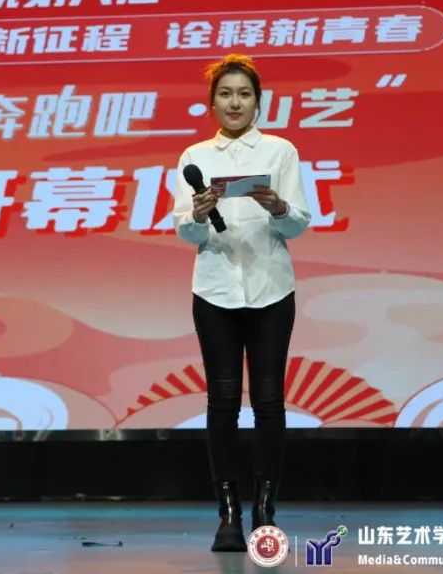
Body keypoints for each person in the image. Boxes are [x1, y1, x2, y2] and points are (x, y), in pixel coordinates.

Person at [172, 54, 311, 552]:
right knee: (223, 402)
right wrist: (197, 214)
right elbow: (185, 231)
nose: (235, 102)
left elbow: (299, 223)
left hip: (272, 288)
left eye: (244, 94)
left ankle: (265, 511)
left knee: (269, 404)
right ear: (212, 102)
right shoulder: (195, 155)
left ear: (258, 101)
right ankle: (228, 514)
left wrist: (279, 207)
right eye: (226, 94)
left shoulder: (280, 151)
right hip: (215, 291)